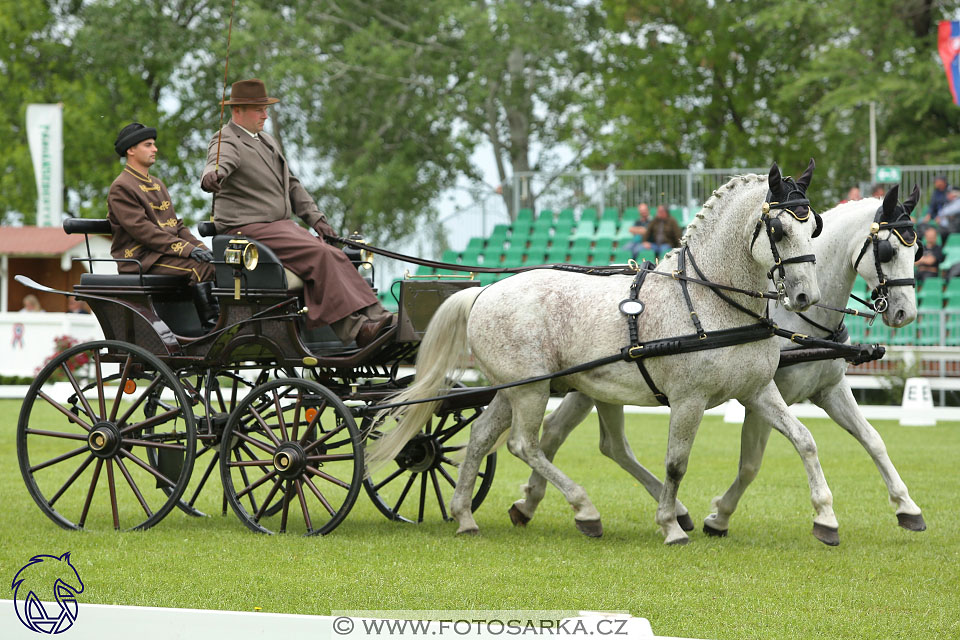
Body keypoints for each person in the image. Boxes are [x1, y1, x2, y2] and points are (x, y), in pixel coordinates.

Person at [200, 78, 393, 347]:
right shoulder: (226, 139)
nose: (265, 114)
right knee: (321, 255)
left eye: (266, 108)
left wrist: (318, 220)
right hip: (248, 232)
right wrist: (212, 176)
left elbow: (292, 185)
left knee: (336, 254)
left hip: (279, 228)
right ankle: (357, 330)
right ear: (237, 111)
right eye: (259, 109)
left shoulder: (267, 141)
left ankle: (377, 317)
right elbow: (218, 162)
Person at [107, 122, 219, 329]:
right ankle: (212, 329)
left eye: (154, 144)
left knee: (219, 263)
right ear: (131, 150)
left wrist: (202, 248)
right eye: (148, 145)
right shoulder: (122, 187)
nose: (155, 149)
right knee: (200, 268)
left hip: (162, 255)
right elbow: (145, 232)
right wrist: (188, 251)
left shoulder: (157, 183)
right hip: (142, 258)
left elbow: (176, 226)